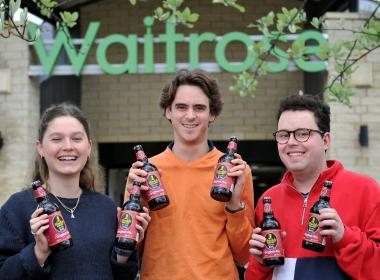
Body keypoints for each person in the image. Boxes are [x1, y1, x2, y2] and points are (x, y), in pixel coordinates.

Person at [125, 69, 255, 280]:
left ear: (212, 114)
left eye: (200, 108)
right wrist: (139, 208)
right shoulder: (144, 174)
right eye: (181, 107)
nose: (190, 115)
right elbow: (130, 251)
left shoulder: (234, 172)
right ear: (168, 111)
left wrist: (234, 205)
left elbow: (244, 256)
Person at [0, 103, 151, 279]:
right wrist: (38, 252)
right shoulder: (17, 208)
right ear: (40, 147)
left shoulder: (106, 207)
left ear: (88, 147)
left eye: (76, 139)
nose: (68, 146)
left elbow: (122, 275)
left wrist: (125, 250)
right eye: (56, 139)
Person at [246, 94, 380, 280]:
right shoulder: (268, 200)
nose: (291, 142)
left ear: (326, 140)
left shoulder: (365, 189)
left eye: (302, 133)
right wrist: (260, 264)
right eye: (284, 135)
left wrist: (344, 237)